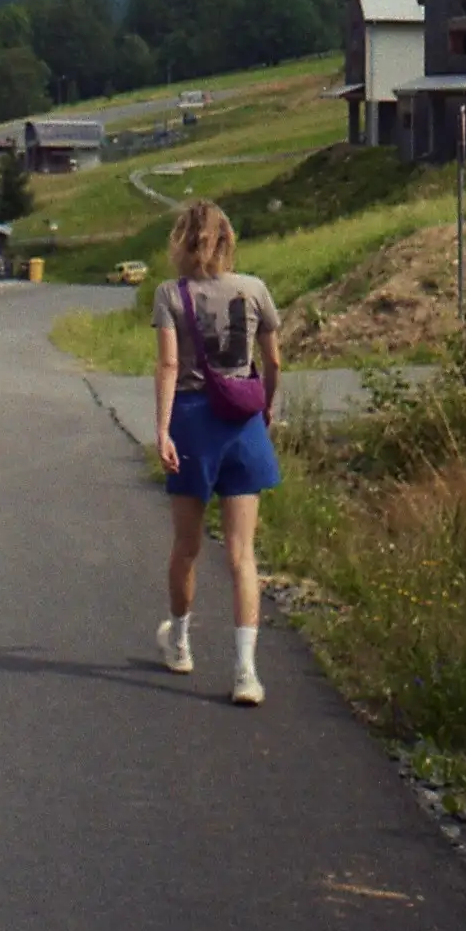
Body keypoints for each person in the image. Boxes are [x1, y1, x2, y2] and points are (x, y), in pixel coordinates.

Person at [152, 199, 282, 705]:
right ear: (228, 240)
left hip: (191, 421)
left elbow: (167, 366)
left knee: (186, 546)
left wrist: (161, 431)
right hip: (242, 422)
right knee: (242, 554)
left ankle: (181, 642)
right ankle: (246, 672)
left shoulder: (169, 294)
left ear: (181, 242)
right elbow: (272, 361)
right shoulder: (254, 290)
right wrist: (265, 409)